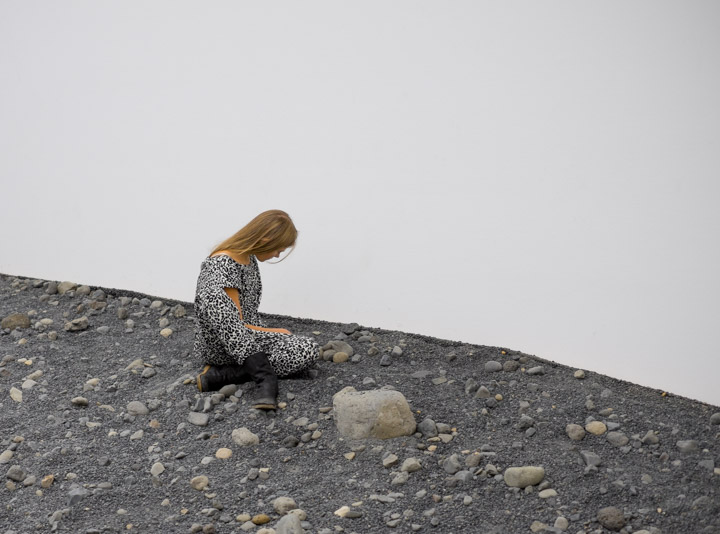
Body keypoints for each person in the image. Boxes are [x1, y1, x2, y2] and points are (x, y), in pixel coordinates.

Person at [192, 209, 319, 410]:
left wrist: (269, 333)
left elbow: (246, 318)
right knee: (306, 349)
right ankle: (260, 377)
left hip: (246, 335)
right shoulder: (221, 265)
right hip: (223, 344)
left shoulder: (248, 259)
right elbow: (231, 327)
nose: (277, 254)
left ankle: (226, 375)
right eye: (278, 249)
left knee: (302, 349)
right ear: (266, 238)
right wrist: (272, 333)